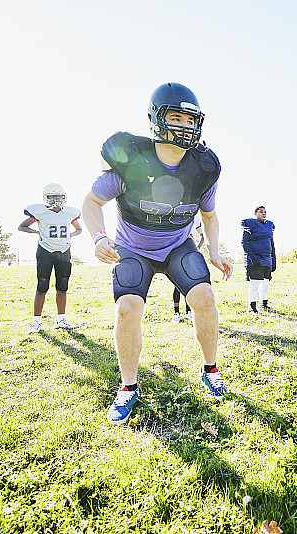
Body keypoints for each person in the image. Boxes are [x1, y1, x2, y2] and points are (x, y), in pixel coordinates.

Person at [82, 82, 233, 426]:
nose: (184, 126)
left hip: (178, 245)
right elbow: (91, 202)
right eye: (175, 117)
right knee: (127, 309)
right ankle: (128, 386)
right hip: (133, 248)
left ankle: (210, 367)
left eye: (190, 119)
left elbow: (209, 215)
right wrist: (98, 237)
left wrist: (213, 250)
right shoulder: (131, 159)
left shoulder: (202, 167)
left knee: (205, 297)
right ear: (157, 119)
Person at [18, 183, 82, 333]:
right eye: (54, 196)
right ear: (47, 197)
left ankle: (61, 320)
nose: (57, 199)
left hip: (64, 252)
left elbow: (79, 229)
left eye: (59, 196)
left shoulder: (70, 212)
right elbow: (22, 226)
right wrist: (37, 233)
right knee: (42, 287)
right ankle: (36, 322)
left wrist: (69, 236)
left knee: (62, 287)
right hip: (45, 251)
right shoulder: (40, 212)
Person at [241, 206, 276, 314]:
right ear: (255, 213)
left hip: (267, 258)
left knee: (265, 283)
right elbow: (244, 242)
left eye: (265, 212)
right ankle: (252, 307)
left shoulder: (269, 225)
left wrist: (274, 259)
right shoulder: (249, 223)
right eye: (261, 212)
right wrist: (253, 258)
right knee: (255, 283)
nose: (264, 214)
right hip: (255, 257)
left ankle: (263, 304)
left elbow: (272, 244)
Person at [172, 215, 205, 322]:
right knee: (177, 284)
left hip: (190, 253)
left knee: (189, 283)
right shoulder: (176, 213)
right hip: (176, 252)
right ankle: (176, 313)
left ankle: (188, 312)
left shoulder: (197, 218)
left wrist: (198, 247)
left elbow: (203, 235)